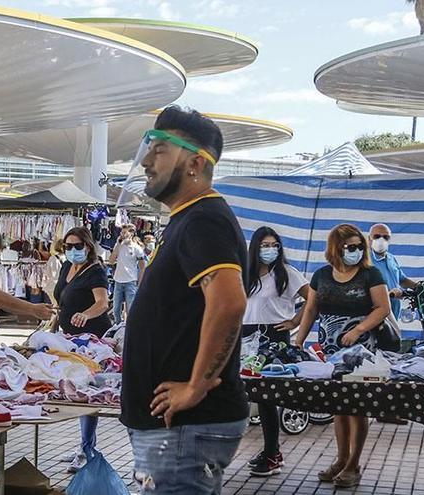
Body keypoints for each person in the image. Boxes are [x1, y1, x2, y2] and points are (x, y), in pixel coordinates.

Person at [121, 106, 249, 494]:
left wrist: (197, 384)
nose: (146, 161)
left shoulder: (203, 220)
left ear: (194, 163)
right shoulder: (186, 220)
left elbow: (229, 303)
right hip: (174, 430)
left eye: (159, 150)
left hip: (185, 428)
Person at [295, 224, 390, 488]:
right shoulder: (322, 275)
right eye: (351, 247)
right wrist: (299, 341)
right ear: (336, 248)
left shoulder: (371, 274)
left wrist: (358, 329)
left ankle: (353, 464)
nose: (357, 251)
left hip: (361, 350)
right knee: (340, 405)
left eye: (360, 246)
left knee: (356, 407)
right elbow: (311, 309)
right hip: (330, 350)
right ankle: (341, 458)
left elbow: (383, 308)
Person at [242, 227, 309, 477]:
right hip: (245, 335)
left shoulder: (287, 273)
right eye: (264, 245)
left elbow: (314, 298)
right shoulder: (245, 274)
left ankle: (272, 452)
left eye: (274, 245)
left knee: (265, 396)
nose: (269, 249)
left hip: (273, 337)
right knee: (243, 392)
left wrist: (295, 322)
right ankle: (268, 451)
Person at [54, 226, 111, 473]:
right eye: (69, 246)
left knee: (87, 391)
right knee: (75, 388)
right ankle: (83, 445)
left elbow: (102, 303)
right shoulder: (67, 267)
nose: (73, 250)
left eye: (78, 246)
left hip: (92, 340)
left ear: (88, 246)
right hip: (69, 339)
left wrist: (84, 316)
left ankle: (87, 449)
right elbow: (62, 301)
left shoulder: (96, 272)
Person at [368, 223, 417, 319]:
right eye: (377, 236)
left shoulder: (390, 258)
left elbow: (401, 280)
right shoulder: (365, 260)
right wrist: (389, 293)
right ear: (369, 238)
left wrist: (418, 287)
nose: (381, 240)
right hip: (374, 315)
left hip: (393, 315)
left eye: (386, 237)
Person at [108, 224, 145, 323]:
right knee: (116, 309)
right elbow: (111, 261)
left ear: (131, 233)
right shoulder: (119, 245)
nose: (122, 234)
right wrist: (118, 245)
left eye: (125, 232)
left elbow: (142, 267)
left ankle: (129, 328)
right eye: (122, 232)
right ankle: (118, 327)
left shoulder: (137, 248)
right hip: (118, 280)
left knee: (130, 309)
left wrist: (140, 282)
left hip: (131, 281)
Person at [43, 239, 64, 307]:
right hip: (64, 286)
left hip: (52, 286)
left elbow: (48, 273)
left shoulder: (52, 258)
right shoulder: (69, 259)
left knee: (55, 306)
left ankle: (54, 317)